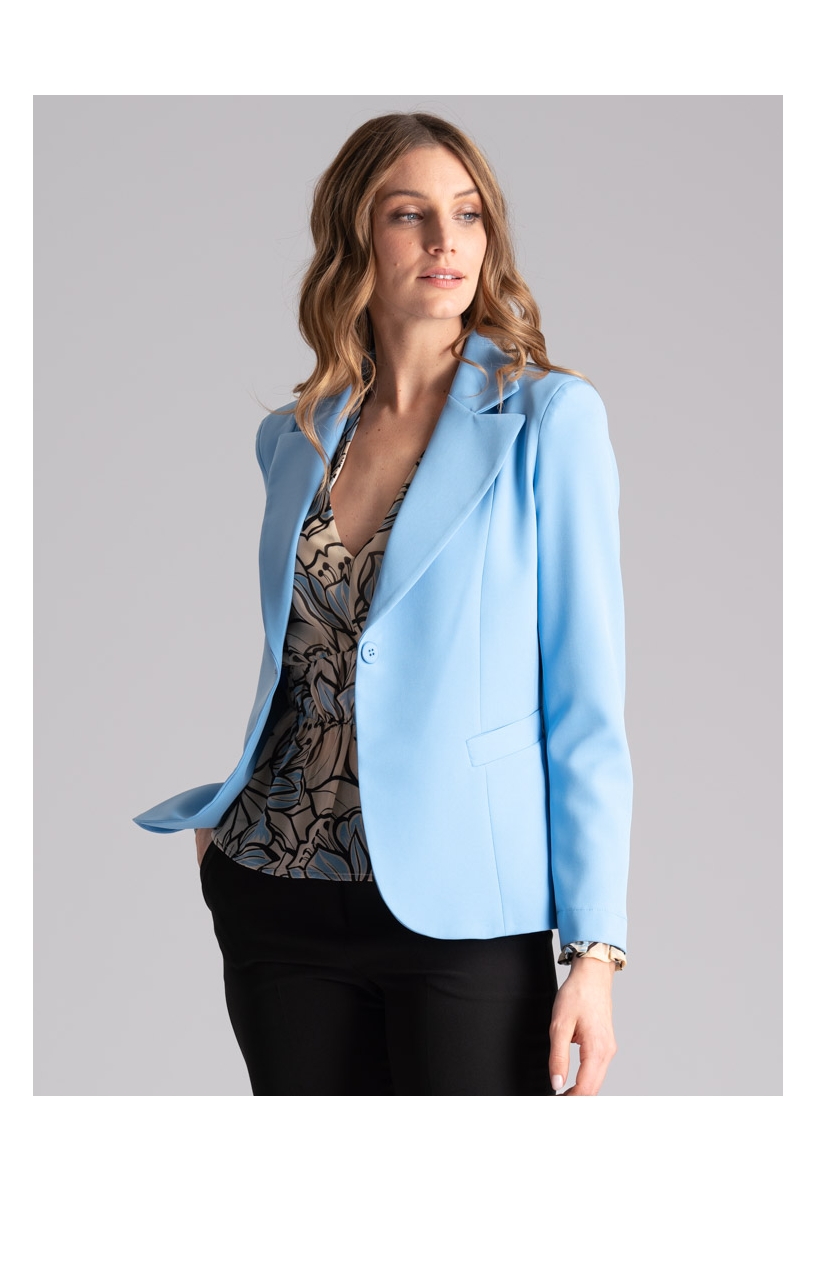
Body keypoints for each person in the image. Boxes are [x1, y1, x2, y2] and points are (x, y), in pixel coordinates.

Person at [132, 111, 633, 1096]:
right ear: (355, 237)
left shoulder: (548, 422)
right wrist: (227, 835)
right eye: (410, 215)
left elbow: (585, 704)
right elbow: (304, 658)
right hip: (277, 888)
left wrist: (595, 951)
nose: (446, 240)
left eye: (468, 214)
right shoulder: (296, 437)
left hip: (463, 905)